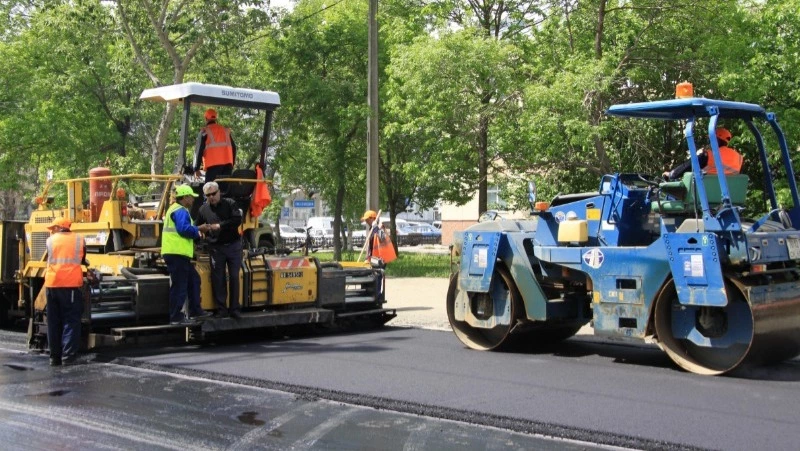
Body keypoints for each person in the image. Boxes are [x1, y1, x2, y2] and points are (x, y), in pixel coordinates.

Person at [162, 184, 213, 325]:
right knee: (180, 285)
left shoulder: (176, 209)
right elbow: (183, 229)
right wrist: (198, 229)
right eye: (191, 197)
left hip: (178, 253)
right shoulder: (180, 211)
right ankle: (176, 317)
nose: (193, 200)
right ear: (185, 197)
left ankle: (196, 311)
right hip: (176, 253)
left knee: (193, 280)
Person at [196, 181, 243, 319]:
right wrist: (199, 231)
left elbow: (237, 220)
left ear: (219, 192)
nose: (211, 197)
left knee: (234, 277)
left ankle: (234, 309)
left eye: (214, 194)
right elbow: (197, 225)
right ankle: (222, 310)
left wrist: (220, 226)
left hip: (233, 245)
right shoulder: (203, 209)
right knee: (218, 279)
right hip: (216, 248)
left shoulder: (230, 203)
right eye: (208, 195)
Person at [44, 217, 86, 366]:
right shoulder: (79, 239)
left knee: (53, 321)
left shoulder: (50, 241)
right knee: (70, 320)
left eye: (53, 228)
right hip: (70, 286)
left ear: (59, 227)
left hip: (52, 285)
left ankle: (54, 357)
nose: (52, 231)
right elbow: (82, 259)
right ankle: (68, 356)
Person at [662, 127, 743, 180]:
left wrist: (671, 174)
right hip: (729, 196)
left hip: (705, 195)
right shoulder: (739, 157)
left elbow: (687, 166)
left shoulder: (709, 155)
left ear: (715, 139)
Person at [192, 108, 237, 193]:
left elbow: (198, 150)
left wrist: (196, 168)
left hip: (213, 168)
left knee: (209, 192)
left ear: (206, 119)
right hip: (227, 167)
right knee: (223, 193)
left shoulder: (205, 132)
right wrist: (232, 164)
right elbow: (234, 148)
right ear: (216, 118)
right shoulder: (226, 131)